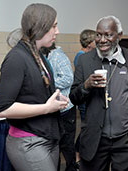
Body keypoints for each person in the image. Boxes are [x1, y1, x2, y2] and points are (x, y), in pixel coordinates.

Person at [70, 15, 128, 171]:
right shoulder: (85, 61)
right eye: (98, 34)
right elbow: (74, 97)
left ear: (119, 36)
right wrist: (86, 85)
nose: (102, 39)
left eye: (108, 34)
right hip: (95, 139)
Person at [0, 3, 68, 171]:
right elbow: (4, 108)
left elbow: (34, 93)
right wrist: (46, 108)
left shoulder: (38, 55)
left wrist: (56, 99)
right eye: (54, 26)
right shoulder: (16, 58)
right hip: (28, 142)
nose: (57, 31)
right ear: (40, 26)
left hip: (48, 137)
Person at [42, 43, 77, 171]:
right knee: (56, 144)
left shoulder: (58, 56)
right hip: (56, 108)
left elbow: (68, 79)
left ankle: (71, 168)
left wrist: (47, 82)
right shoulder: (46, 56)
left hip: (65, 109)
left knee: (67, 145)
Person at [73, 29, 96, 168]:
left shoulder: (85, 55)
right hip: (84, 100)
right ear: (89, 43)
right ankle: (78, 156)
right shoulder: (81, 56)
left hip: (88, 98)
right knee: (87, 130)